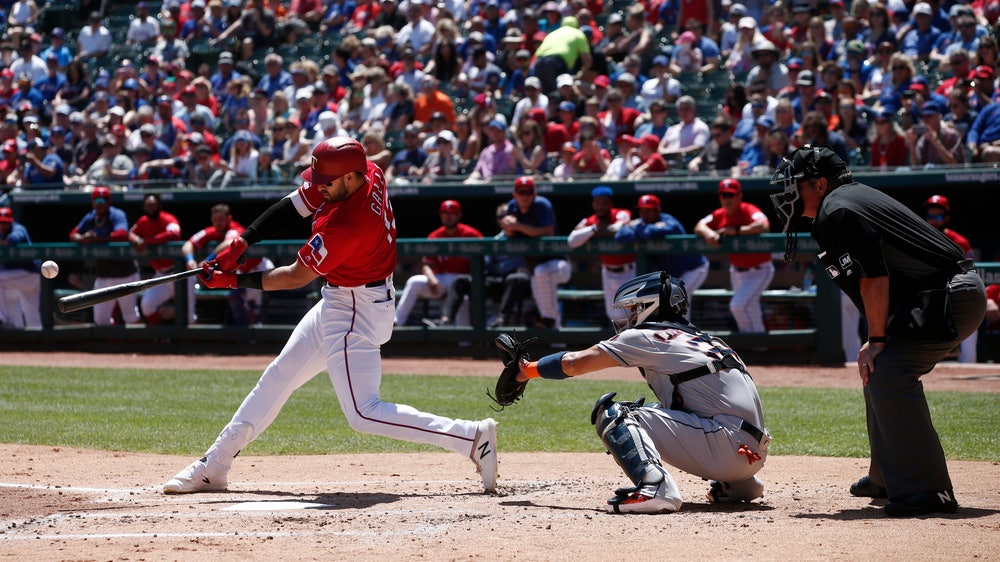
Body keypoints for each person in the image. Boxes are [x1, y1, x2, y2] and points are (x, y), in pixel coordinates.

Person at [162, 137, 498, 495]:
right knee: (278, 376)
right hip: (346, 299)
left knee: (364, 412)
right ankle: (214, 465)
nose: (319, 185)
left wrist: (233, 281)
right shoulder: (364, 172)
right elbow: (295, 205)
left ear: (351, 178)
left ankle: (471, 436)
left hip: (357, 309)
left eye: (327, 181)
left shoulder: (348, 224)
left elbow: (295, 276)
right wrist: (244, 242)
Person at [769, 145, 985, 517]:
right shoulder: (840, 202)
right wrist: (876, 341)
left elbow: (874, 278)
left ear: (820, 184)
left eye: (797, 184)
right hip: (936, 295)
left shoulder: (837, 209)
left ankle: (927, 490)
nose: (788, 192)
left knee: (888, 371)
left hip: (950, 296)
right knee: (877, 370)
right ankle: (887, 475)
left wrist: (878, 338)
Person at [510, 272, 770, 513]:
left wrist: (525, 371)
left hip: (725, 448)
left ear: (650, 307)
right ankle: (741, 484)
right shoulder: (706, 339)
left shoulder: (648, 335)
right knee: (662, 409)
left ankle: (656, 488)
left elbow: (576, 362)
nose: (629, 316)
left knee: (615, 414)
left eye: (634, 308)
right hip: (751, 453)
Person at [694, 178, 774, 333]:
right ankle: (760, 345)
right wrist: (709, 233)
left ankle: (747, 340)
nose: (727, 199)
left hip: (759, 269)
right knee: (751, 307)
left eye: (730, 195)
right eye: (724, 195)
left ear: (739, 196)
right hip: (737, 271)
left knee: (737, 305)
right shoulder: (719, 214)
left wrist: (737, 230)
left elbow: (764, 225)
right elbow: (699, 225)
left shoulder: (749, 209)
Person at [615, 195, 710, 320]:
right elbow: (620, 236)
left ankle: (685, 333)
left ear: (657, 210)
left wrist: (635, 226)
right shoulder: (642, 223)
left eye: (648, 210)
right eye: (642, 210)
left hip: (693, 269)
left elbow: (650, 233)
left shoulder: (669, 221)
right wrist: (640, 227)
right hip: (672, 275)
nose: (644, 214)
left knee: (677, 298)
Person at [395, 199, 483, 327]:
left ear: (459, 216)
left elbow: (482, 262)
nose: (448, 217)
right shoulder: (435, 236)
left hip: (461, 281)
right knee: (414, 281)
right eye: (445, 214)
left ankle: (465, 342)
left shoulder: (471, 234)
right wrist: (432, 279)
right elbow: (426, 264)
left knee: (463, 298)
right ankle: (397, 321)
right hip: (440, 280)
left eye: (451, 214)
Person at [445, 204, 532, 328]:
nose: (508, 219)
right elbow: (486, 266)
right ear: (498, 221)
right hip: (499, 281)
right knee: (461, 281)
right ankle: (445, 319)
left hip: (520, 284)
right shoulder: (496, 241)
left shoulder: (528, 236)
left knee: (516, 278)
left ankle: (503, 319)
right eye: (503, 216)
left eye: (512, 215)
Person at [500, 176, 571, 329]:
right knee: (543, 285)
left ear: (534, 193)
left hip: (559, 264)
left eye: (528, 192)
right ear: (515, 194)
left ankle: (548, 319)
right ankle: (554, 336)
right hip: (535, 270)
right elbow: (511, 234)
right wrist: (508, 226)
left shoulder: (542, 204)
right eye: (521, 193)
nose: (525, 196)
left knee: (541, 274)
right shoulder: (513, 206)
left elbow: (548, 231)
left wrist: (518, 226)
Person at [182, 204, 271, 326]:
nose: (218, 223)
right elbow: (188, 245)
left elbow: (230, 243)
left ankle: (256, 337)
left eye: (221, 219)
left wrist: (208, 260)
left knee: (253, 308)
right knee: (240, 303)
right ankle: (244, 336)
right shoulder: (212, 231)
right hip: (242, 272)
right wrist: (190, 260)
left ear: (229, 218)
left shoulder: (235, 228)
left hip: (259, 267)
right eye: (215, 220)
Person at [68, 187, 141, 326]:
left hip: (125, 272)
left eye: (102, 200)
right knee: (100, 319)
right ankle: (114, 344)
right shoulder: (90, 217)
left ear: (108, 202)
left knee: (130, 316)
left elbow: (121, 234)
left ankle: (142, 345)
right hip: (104, 274)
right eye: (96, 200)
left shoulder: (116, 214)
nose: (99, 203)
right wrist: (83, 238)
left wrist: (97, 238)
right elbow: (72, 234)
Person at [566, 186, 634, 324]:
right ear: (593, 204)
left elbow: (617, 228)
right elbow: (572, 240)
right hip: (608, 272)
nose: (600, 207)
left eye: (604, 203)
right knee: (615, 316)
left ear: (610, 203)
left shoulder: (620, 213)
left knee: (634, 313)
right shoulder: (591, 221)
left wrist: (593, 233)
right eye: (597, 203)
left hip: (629, 271)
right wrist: (594, 229)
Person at [922, 195, 977, 363]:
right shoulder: (920, 238)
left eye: (938, 217)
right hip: (931, 293)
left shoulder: (960, 242)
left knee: (973, 311)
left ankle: (969, 366)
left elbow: (971, 273)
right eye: (930, 217)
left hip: (957, 291)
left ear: (946, 218)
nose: (934, 221)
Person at [129, 194, 183, 325]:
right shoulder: (143, 221)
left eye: (153, 204)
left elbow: (175, 233)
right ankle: (161, 339)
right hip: (161, 275)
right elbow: (130, 233)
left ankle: (189, 344)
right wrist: (136, 239)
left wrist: (148, 241)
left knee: (189, 315)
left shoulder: (167, 218)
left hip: (180, 273)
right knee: (147, 305)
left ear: (160, 205)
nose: (150, 208)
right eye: (148, 205)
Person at [0, 207, 41, 329]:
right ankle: (34, 343)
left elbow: (14, 239)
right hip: (19, 276)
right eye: (0, 222)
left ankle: (2, 318)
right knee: (32, 313)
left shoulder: (18, 228)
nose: (2, 225)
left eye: (5, 222)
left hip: (29, 273)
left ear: (11, 221)